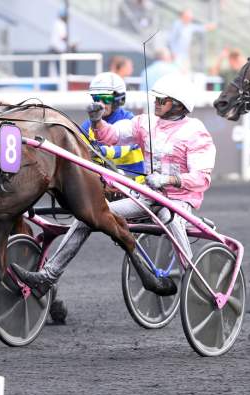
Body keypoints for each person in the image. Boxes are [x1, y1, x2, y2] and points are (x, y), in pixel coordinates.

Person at [12, 73, 216, 297]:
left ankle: (193, 279)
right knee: (89, 216)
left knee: (172, 218)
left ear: (178, 105)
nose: (156, 103)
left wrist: (168, 180)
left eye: (161, 100)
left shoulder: (196, 132)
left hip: (179, 201)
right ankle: (48, 277)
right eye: (156, 99)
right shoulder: (145, 123)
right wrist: (97, 121)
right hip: (149, 197)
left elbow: (201, 178)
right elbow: (112, 135)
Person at [80, 72, 144, 180]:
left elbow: (122, 148)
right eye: (96, 98)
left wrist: (101, 151)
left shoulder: (131, 121)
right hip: (103, 182)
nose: (100, 104)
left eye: (106, 99)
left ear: (119, 100)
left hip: (133, 184)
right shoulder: (87, 125)